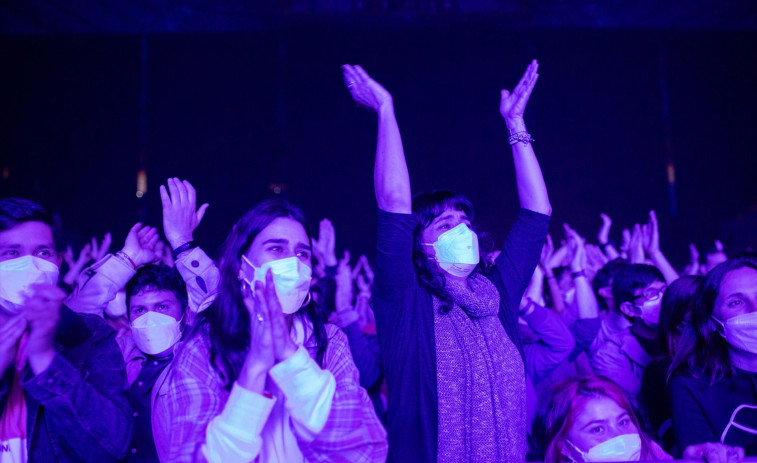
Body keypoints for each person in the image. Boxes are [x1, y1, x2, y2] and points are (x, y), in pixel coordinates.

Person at [343, 60, 551, 462]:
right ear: (418, 245)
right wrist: (385, 109)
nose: (461, 231)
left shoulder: (498, 292)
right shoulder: (403, 299)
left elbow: (536, 214)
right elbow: (394, 204)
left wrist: (516, 127)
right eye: (443, 224)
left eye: (464, 222)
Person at [160, 199, 387, 462]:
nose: (292, 262)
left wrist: (291, 358)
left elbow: (363, 452)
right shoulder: (204, 348)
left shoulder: (329, 342)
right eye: (276, 248)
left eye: (302, 254)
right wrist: (255, 368)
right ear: (242, 266)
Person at [0, 198, 132, 462]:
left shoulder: (88, 333)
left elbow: (113, 447)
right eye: (12, 253)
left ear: (58, 262)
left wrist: (45, 360)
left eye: (42, 253)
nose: (30, 266)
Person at [532, 375, 743, 462]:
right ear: (565, 448)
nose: (620, 436)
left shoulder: (653, 455)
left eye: (623, 422)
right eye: (597, 429)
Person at [670, 258, 757, 456]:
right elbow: (699, 451)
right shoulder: (690, 385)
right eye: (736, 302)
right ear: (713, 323)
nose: (755, 309)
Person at [590, 264, 666, 399]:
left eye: (664, 290)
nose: (662, 298)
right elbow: (643, 404)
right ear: (629, 309)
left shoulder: (683, 331)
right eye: (651, 294)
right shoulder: (609, 357)